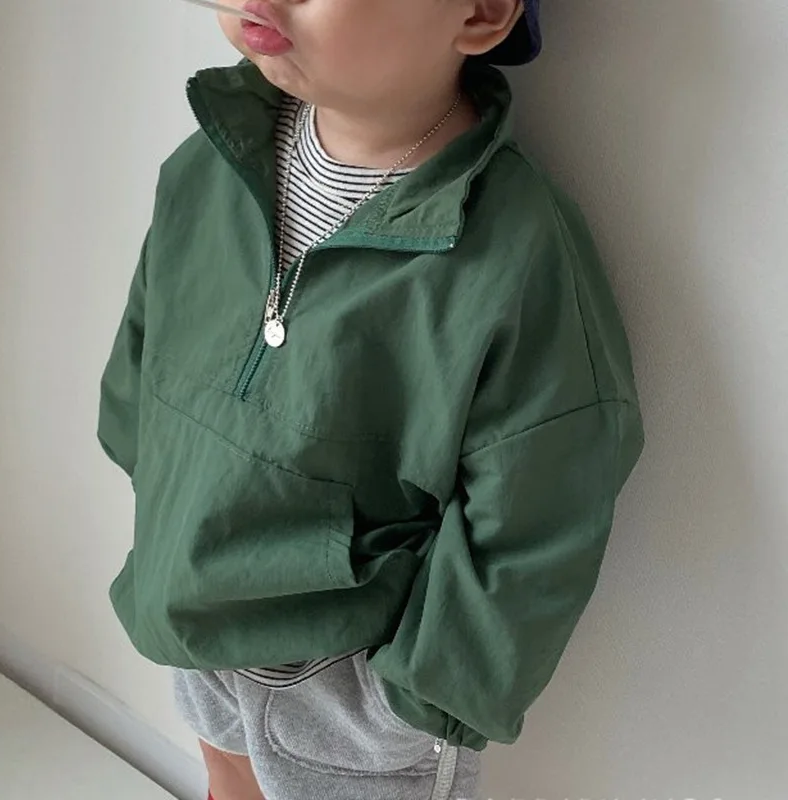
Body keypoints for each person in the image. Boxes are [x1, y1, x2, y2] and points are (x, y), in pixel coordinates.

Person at [96, 0, 645, 798]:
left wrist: (424, 695)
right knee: (225, 778)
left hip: (352, 678)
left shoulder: (513, 249)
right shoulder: (209, 165)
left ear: (481, 13)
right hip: (195, 613)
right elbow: (142, 366)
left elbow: (542, 506)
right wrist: (163, 526)